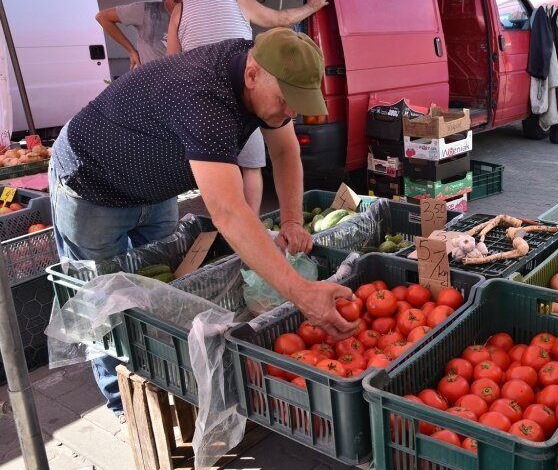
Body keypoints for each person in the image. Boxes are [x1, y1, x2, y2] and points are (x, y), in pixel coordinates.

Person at [49, 28, 358, 419]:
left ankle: (167, 381)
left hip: (154, 187)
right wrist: (301, 293)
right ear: (252, 76)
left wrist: (293, 219)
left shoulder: (261, 66)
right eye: (286, 101)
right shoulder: (203, 98)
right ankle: (122, 405)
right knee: (100, 305)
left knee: (164, 295)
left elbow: (285, 151)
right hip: (91, 183)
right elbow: (229, 212)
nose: (291, 112)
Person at [166, 0, 329, 214]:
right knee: (251, 168)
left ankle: (234, 230)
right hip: (245, 94)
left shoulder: (180, 11)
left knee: (217, 173)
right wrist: (312, 6)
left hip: (202, 106)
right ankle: (249, 223)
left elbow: (172, 63)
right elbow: (281, 19)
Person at [95, 0, 190, 69]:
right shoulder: (147, 10)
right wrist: (131, 51)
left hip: (181, 78)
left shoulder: (193, 15)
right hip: (152, 78)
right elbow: (102, 17)